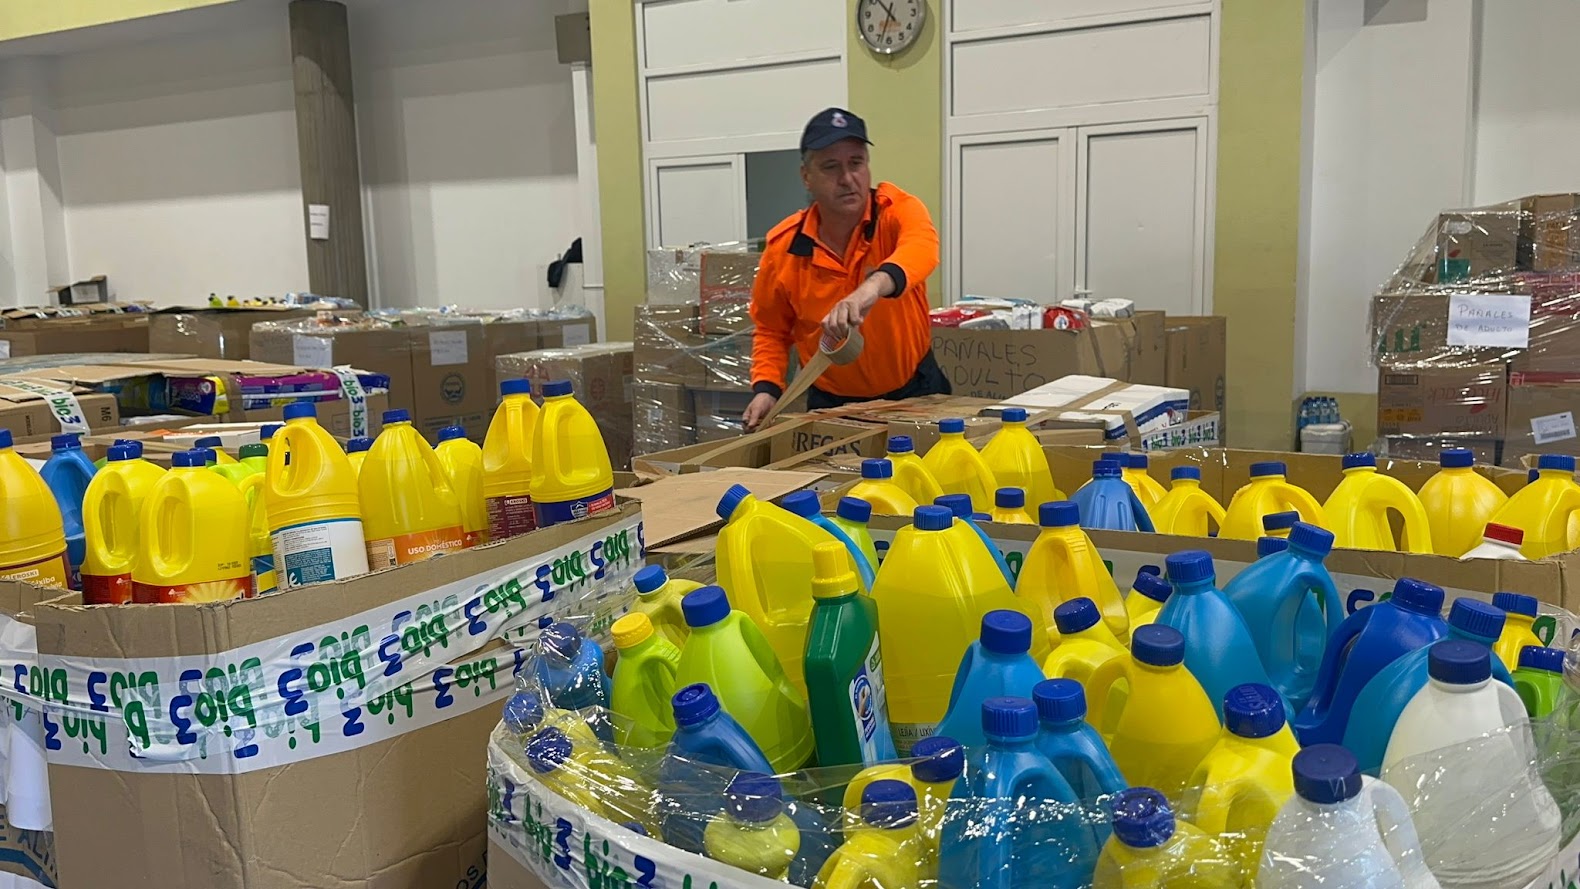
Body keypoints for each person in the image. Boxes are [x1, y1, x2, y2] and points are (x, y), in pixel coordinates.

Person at [742, 107, 948, 431]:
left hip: (914, 392)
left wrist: (872, 287)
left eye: (856, 163)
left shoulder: (896, 212)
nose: (847, 178)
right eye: (831, 167)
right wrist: (767, 388)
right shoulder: (784, 247)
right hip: (832, 406)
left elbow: (922, 248)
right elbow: (771, 329)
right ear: (806, 176)